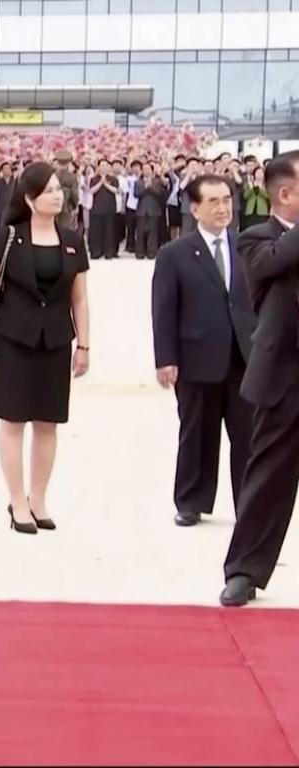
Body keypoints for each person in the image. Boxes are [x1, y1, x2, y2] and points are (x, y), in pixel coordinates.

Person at [0, 161, 91, 534]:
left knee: (48, 423)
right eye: (48, 190)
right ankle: (17, 500)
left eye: (58, 189)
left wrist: (84, 345)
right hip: (15, 339)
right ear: (30, 199)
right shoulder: (9, 237)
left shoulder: (73, 241)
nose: (57, 196)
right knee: (14, 421)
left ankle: (38, 498)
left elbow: (80, 298)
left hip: (55, 341)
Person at [151, 174, 256, 528]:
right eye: (214, 201)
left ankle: (250, 504)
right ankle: (190, 501)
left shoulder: (247, 247)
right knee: (197, 433)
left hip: (245, 357)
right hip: (196, 358)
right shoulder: (174, 254)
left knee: (249, 436)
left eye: (227, 199)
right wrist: (166, 358)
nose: (223, 207)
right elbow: (163, 310)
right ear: (195, 209)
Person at [219, 150, 299, 607]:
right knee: (268, 479)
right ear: (285, 194)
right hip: (283, 377)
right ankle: (244, 570)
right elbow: (275, 262)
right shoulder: (256, 239)